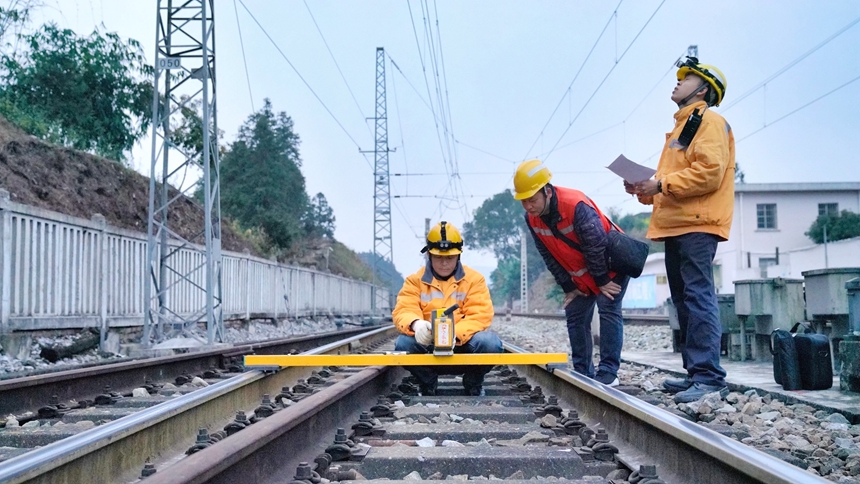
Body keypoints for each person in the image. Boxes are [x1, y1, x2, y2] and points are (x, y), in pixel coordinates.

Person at [625, 56, 734, 404]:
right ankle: (695, 374)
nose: (677, 81)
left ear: (702, 89)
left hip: (697, 225)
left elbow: (709, 172)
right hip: (678, 224)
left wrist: (660, 185)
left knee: (698, 296)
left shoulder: (708, 122)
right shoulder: (683, 127)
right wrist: (645, 188)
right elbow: (672, 183)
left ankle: (709, 377)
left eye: (686, 78)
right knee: (685, 300)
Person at [513, 160, 629, 387]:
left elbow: (596, 245)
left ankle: (608, 372)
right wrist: (568, 286)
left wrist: (602, 281)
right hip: (583, 276)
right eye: (523, 201)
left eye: (532, 200)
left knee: (608, 308)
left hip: (610, 266)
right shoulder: (531, 218)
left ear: (547, 191)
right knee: (575, 313)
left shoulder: (575, 205)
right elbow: (547, 254)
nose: (528, 206)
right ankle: (584, 372)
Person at [392, 221, 502, 396]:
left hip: (462, 345)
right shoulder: (415, 280)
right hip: (428, 344)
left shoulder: (474, 280)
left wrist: (453, 333)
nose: (444, 263)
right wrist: (416, 324)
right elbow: (404, 309)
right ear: (429, 255)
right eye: (439, 258)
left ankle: (473, 383)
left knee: (490, 343)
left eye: (449, 258)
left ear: (458, 256)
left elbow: (480, 314)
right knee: (403, 344)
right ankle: (427, 383)